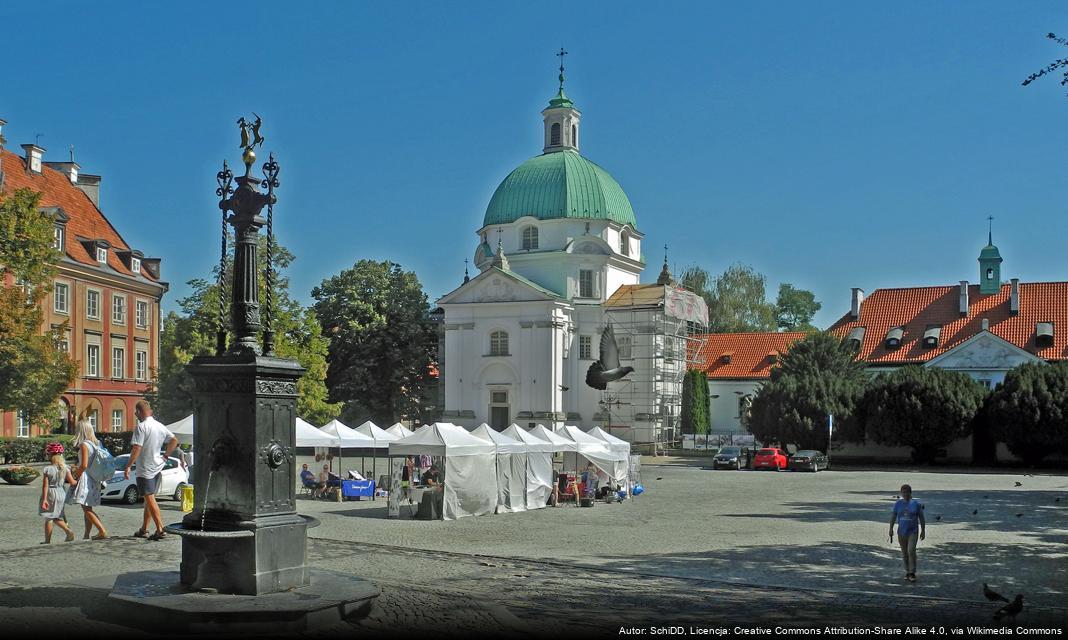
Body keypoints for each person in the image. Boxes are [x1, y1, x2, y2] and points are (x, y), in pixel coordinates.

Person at [125, 401, 182, 541]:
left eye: (136, 412)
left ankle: (160, 529)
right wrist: (166, 456)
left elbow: (137, 448)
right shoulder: (159, 426)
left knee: (149, 498)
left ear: (138, 412)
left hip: (145, 468)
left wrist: (128, 466)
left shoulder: (141, 427)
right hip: (157, 466)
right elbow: (174, 440)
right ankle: (144, 529)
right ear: (149, 411)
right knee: (148, 499)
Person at [70, 419, 108, 540]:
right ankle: (86, 534)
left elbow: (84, 465)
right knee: (88, 507)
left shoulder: (84, 445)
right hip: (95, 477)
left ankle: (102, 530)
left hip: (86, 479)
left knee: (86, 508)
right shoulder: (95, 444)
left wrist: (76, 474)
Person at [39, 443, 76, 544]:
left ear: (51, 456)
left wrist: (45, 499)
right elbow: (72, 482)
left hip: (51, 492)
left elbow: (45, 486)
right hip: (61, 492)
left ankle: (64, 533)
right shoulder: (65, 468)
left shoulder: (48, 469)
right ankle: (67, 532)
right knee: (57, 515)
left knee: (49, 517)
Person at [889, 483, 926, 582]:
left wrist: (923, 530)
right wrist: (890, 529)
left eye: (907, 492)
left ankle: (912, 572)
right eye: (903, 492)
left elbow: (921, 518)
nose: (905, 494)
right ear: (901, 493)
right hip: (901, 531)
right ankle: (907, 571)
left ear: (910, 493)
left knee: (911, 551)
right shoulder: (898, 504)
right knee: (904, 553)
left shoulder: (916, 504)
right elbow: (893, 516)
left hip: (913, 531)